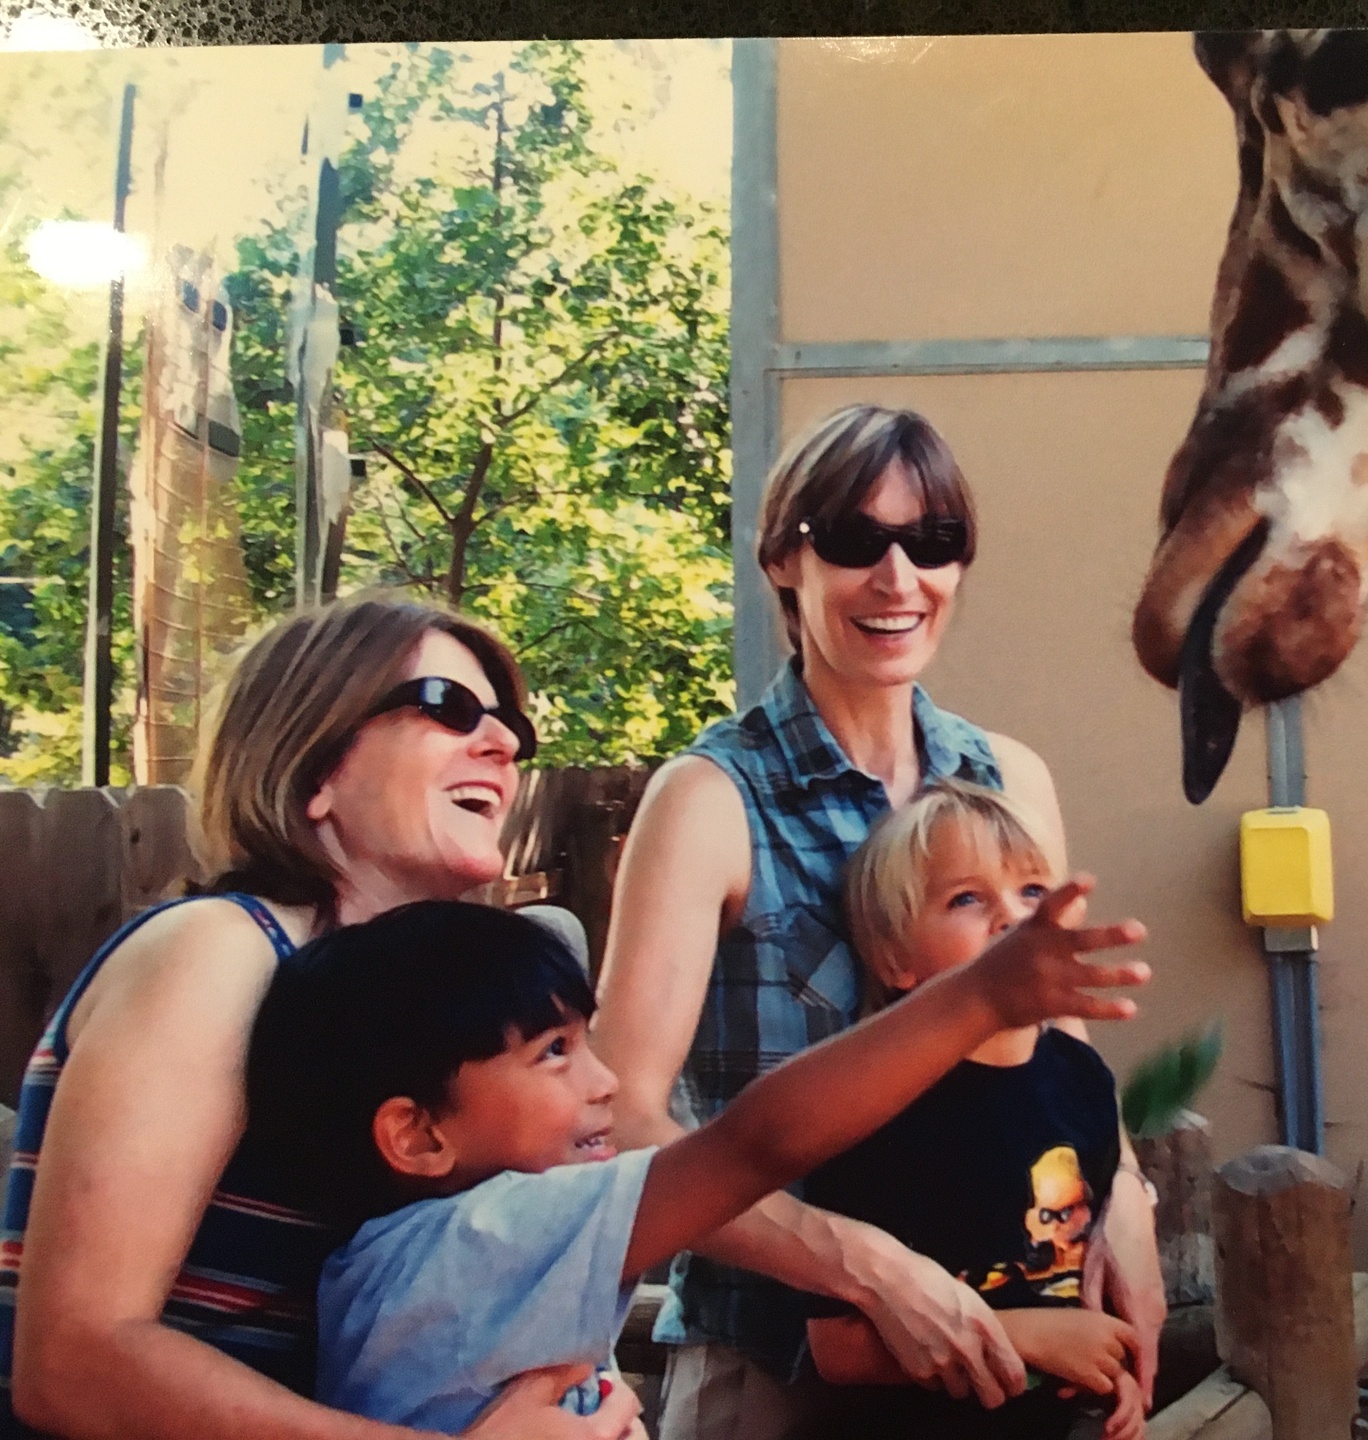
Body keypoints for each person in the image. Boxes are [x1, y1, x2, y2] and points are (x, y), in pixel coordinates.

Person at [595, 405, 1167, 1440]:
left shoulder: (1009, 777)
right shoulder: (713, 797)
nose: (898, 578)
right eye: (857, 541)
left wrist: (1124, 1198)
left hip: (1011, 1376)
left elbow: (1063, 1045)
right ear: (784, 559)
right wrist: (864, 1267)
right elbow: (620, 1119)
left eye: (932, 541)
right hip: (781, 1367)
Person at [1, 594, 642, 1440]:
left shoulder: (420, 1011)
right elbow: (73, 1362)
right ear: (316, 767)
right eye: (448, 707)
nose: (504, 743)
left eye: (509, 724)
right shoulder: (221, 952)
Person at [245, 889, 1144, 1436]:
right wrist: (978, 997)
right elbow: (754, 1149)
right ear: (417, 1137)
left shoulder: (385, 1268)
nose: (605, 1082)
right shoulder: (484, 1237)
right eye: (554, 1054)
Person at [800, 780, 1148, 1440]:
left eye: (1032, 891)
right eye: (967, 898)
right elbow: (836, 1349)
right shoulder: (873, 1107)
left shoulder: (1082, 1080)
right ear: (895, 959)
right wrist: (1019, 1336)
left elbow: (1082, 1274)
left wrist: (1111, 1377)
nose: (1011, 918)